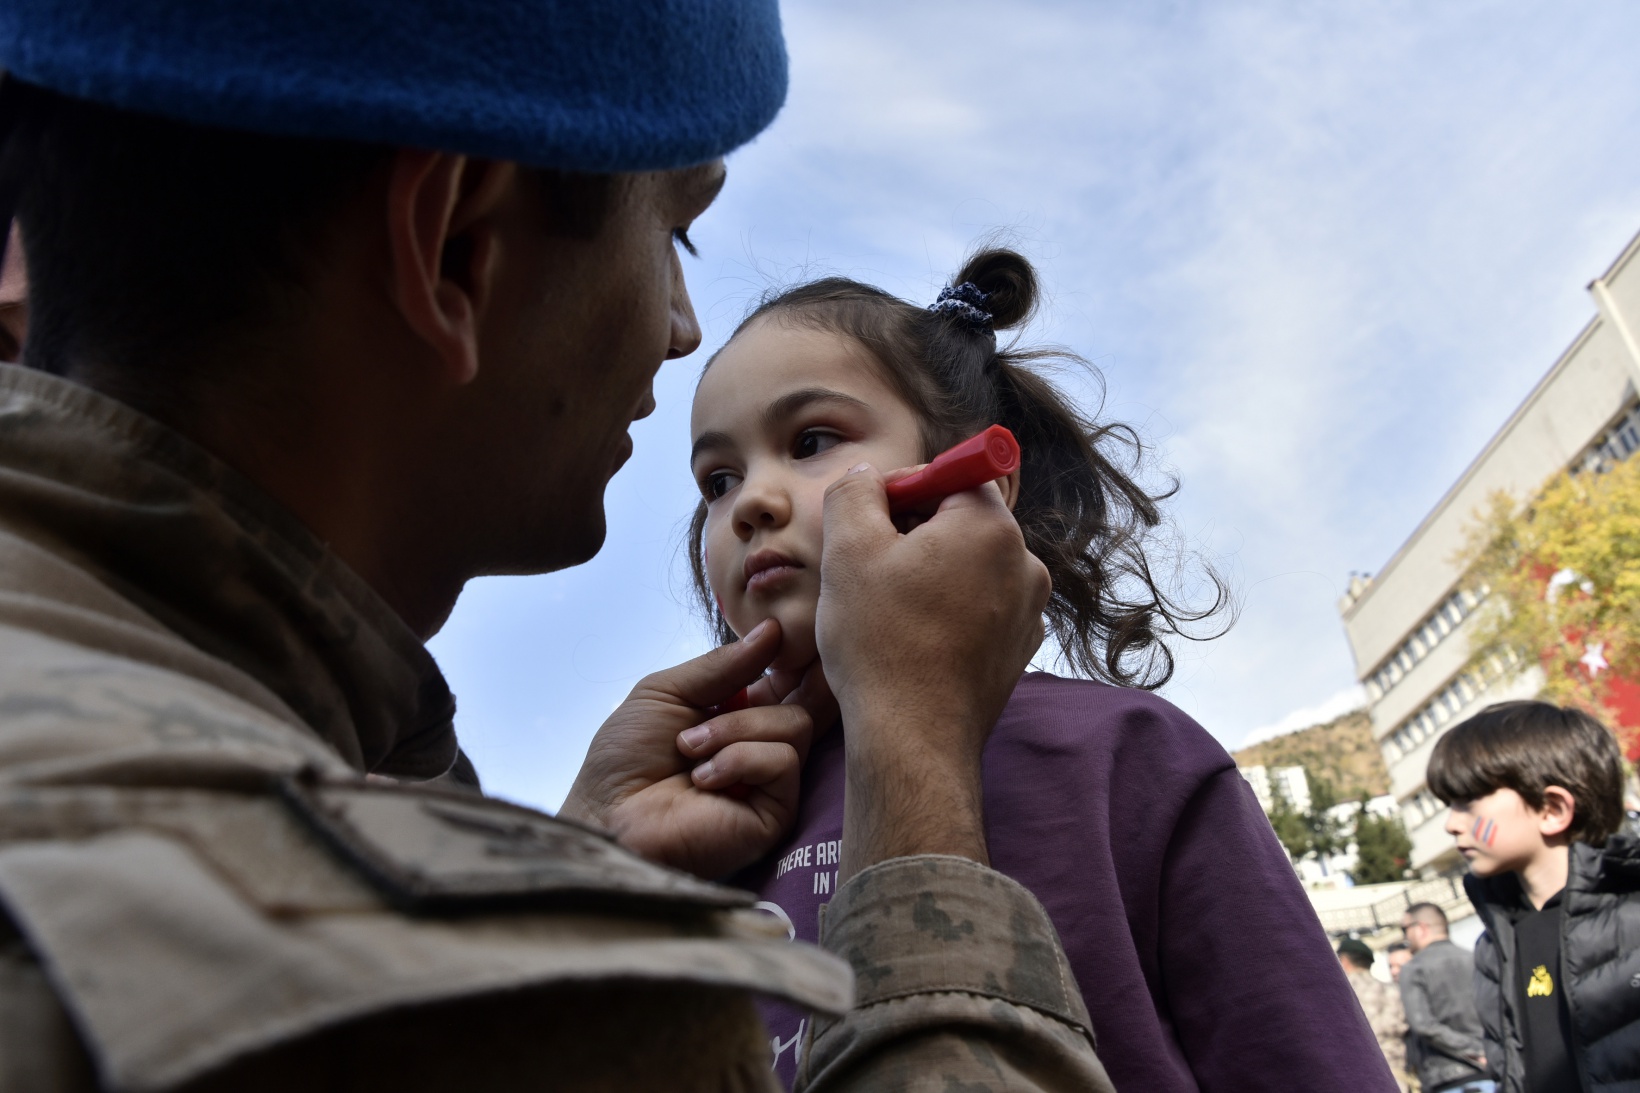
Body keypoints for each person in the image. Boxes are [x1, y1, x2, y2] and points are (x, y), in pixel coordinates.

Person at [0, 4, 1116, 1090]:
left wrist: (584, 855)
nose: (680, 326)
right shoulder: (498, 1006)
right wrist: (917, 767)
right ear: (453, 244)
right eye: (672, 232)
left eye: (812, 439)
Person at [683, 249, 1398, 1091]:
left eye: (810, 441)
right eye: (717, 480)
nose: (750, 502)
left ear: (980, 478)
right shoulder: (706, 808)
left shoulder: (1130, 754)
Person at [1429, 700, 1640, 1093]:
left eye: (1467, 802)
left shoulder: (1633, 917)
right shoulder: (1495, 943)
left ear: (1552, 809)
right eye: (1448, 804)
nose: (1452, 824)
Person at [1398, 903, 1493, 1092]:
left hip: (1447, 1075)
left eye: (1404, 929)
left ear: (1421, 928)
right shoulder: (1474, 958)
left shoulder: (1413, 969)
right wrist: (1484, 1051)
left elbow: (1423, 1025)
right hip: (1489, 1070)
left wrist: (1472, 1050)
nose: (1405, 937)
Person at [1339, 937, 1411, 1092]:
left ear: (1344, 961)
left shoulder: (1341, 995)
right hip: (1397, 1079)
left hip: (1358, 1080)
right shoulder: (1393, 990)